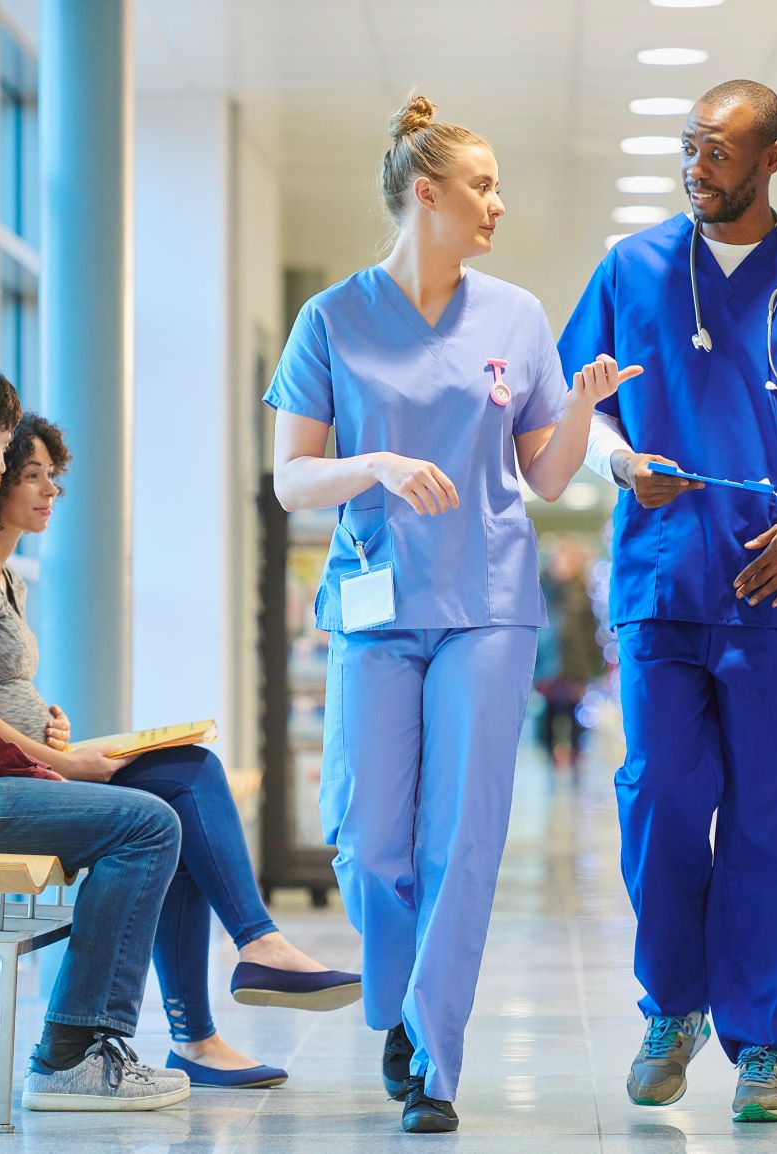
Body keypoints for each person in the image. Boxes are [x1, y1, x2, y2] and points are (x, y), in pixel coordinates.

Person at [264, 94, 630, 1134]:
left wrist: (582, 407)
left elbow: (545, 475)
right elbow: (290, 478)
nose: (498, 204)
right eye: (483, 186)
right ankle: (401, 1003)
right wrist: (373, 463)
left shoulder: (515, 316)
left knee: (462, 837)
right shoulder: (331, 318)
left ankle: (436, 1050)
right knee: (370, 838)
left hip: (491, 605)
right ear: (426, 195)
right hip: (376, 607)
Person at [560, 79, 777, 1124]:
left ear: (772, 158)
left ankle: (764, 1044)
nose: (697, 165)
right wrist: (619, 465)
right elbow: (580, 408)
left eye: (719, 150)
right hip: (663, 578)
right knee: (658, 794)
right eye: (690, 146)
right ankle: (672, 1005)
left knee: (775, 822)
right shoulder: (634, 267)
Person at [0, 412, 363, 1090]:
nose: (51, 491)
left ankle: (224, 998)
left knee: (191, 772)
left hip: (32, 764)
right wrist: (61, 759)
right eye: (31, 477)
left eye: (54, 477)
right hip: (8, 781)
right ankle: (229, 987)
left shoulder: (6, 577)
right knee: (170, 805)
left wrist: (46, 718)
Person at [0, 354, 189, 1112]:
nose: (5, 464)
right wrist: (53, 769)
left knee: (166, 799)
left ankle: (86, 1046)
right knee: (148, 825)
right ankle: (69, 1056)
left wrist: (50, 763)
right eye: (3, 448)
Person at [533, 538, 606, 768]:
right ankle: (549, 758)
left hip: (574, 667)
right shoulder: (542, 589)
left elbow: (590, 632)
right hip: (548, 665)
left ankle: (574, 758)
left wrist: (596, 666)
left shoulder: (583, 593)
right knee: (548, 719)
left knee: (574, 717)